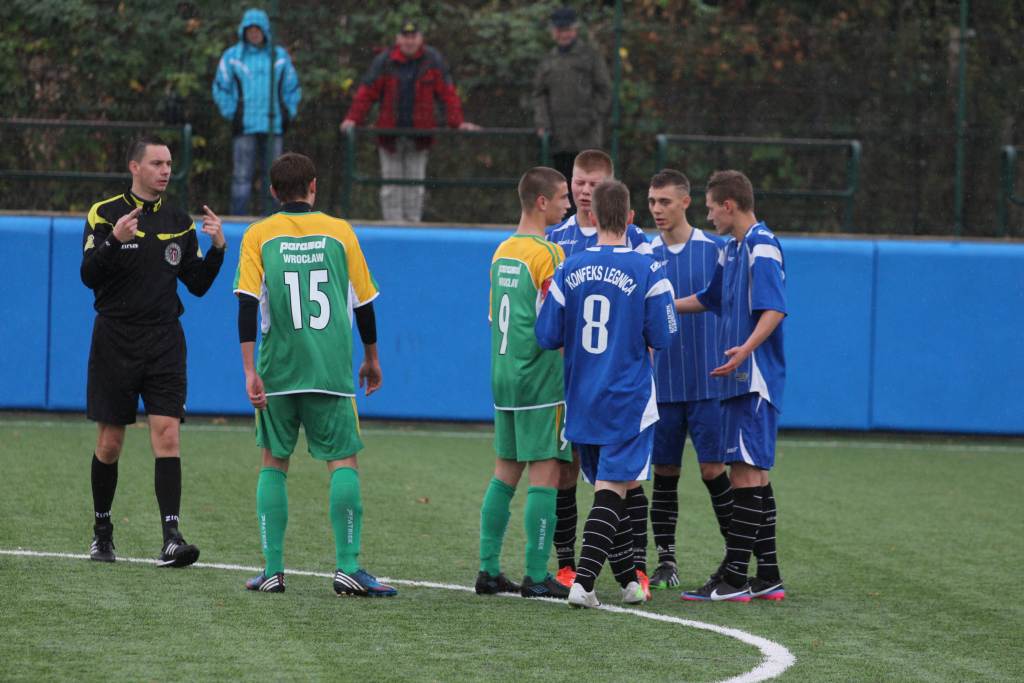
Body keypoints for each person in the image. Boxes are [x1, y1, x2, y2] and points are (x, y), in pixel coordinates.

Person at [234, 152, 395, 597]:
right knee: (342, 463)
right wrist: (371, 358)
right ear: (314, 187)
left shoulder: (258, 235)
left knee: (273, 463)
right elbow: (364, 302)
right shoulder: (340, 232)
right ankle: (347, 567)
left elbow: (247, 303)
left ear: (271, 191)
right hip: (329, 372)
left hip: (277, 373)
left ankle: (272, 570)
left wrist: (249, 370)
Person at [81, 135, 226, 567]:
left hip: (164, 340)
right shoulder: (104, 214)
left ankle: (171, 537)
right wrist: (113, 240)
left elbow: (196, 284)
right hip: (115, 339)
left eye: (169, 164)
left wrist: (218, 249)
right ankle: (102, 533)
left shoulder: (179, 221)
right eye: (157, 163)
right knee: (110, 443)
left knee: (167, 433)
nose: (165, 170)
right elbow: (88, 276)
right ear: (135, 167)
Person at [536, 180, 677, 608]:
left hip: (582, 396)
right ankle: (583, 583)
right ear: (631, 218)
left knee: (613, 486)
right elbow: (665, 334)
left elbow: (546, 334)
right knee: (612, 490)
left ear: (592, 217)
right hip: (626, 398)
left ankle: (630, 582)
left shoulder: (568, 266)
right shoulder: (648, 267)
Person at [674, 170, 787, 602]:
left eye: (709, 207)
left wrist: (744, 350)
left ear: (729, 205)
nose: (707, 215)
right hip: (738, 378)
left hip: (753, 378)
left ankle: (735, 579)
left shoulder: (762, 245)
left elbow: (775, 309)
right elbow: (708, 298)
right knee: (754, 474)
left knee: (744, 474)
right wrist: (660, 304)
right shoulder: (732, 249)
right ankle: (768, 574)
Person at [545, 148, 652, 595]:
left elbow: (547, 323)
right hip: (578, 379)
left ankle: (632, 571)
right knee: (579, 471)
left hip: (601, 377)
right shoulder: (557, 239)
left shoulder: (640, 243)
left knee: (624, 477)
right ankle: (572, 567)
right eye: (578, 182)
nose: (584, 190)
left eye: (593, 184)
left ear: (607, 185)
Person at [476, 167, 573, 600]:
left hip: (503, 375)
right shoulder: (548, 254)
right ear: (541, 202)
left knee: (504, 475)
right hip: (539, 379)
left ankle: (488, 569)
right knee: (545, 475)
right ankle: (536, 574)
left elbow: (495, 315)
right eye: (563, 197)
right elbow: (557, 322)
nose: (568, 205)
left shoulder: (502, 251)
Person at [644, 169, 730, 591]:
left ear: (686, 202)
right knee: (665, 473)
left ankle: (736, 556)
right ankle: (666, 561)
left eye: (665, 202)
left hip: (709, 384)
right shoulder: (643, 252)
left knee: (714, 470)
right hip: (663, 386)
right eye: (652, 202)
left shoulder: (716, 250)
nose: (657, 210)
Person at [340, 20, 479, 223]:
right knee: (391, 185)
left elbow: (447, 94)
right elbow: (367, 93)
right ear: (398, 39)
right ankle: (392, 225)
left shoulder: (432, 60)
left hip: (420, 136)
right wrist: (352, 119)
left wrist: (457, 122)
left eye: (413, 37)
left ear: (420, 38)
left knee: (415, 184)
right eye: (405, 37)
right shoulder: (385, 61)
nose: (409, 41)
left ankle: (413, 225)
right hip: (389, 136)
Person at [213, 8, 302, 216]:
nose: (254, 33)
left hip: (274, 127)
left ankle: (273, 219)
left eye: (257, 29)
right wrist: (232, 112)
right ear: (243, 31)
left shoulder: (279, 57)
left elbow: (293, 88)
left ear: (265, 31)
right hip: (245, 126)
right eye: (250, 29)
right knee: (241, 176)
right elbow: (220, 87)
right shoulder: (232, 57)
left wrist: (288, 112)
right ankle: (238, 219)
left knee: (276, 177)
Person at [532, 7, 612, 195]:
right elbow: (539, 94)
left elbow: (604, 91)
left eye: (568, 30)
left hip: (587, 138)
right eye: (560, 30)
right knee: (563, 188)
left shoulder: (590, 56)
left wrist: (589, 117)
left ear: (575, 30)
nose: (564, 35)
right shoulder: (548, 60)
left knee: (589, 188)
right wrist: (543, 123)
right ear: (553, 32)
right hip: (558, 139)